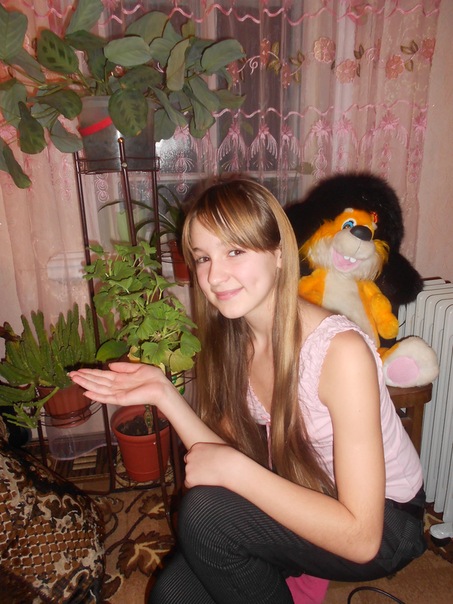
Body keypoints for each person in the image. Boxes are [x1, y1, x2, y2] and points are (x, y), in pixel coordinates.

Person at [70, 179, 426, 604]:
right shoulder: (238, 341)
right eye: (203, 257)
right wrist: (164, 394)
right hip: (307, 488)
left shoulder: (340, 353)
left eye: (235, 251)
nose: (214, 275)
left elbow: (362, 538)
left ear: (280, 254)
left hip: (384, 521)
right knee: (173, 592)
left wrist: (236, 472)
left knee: (206, 514)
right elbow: (219, 455)